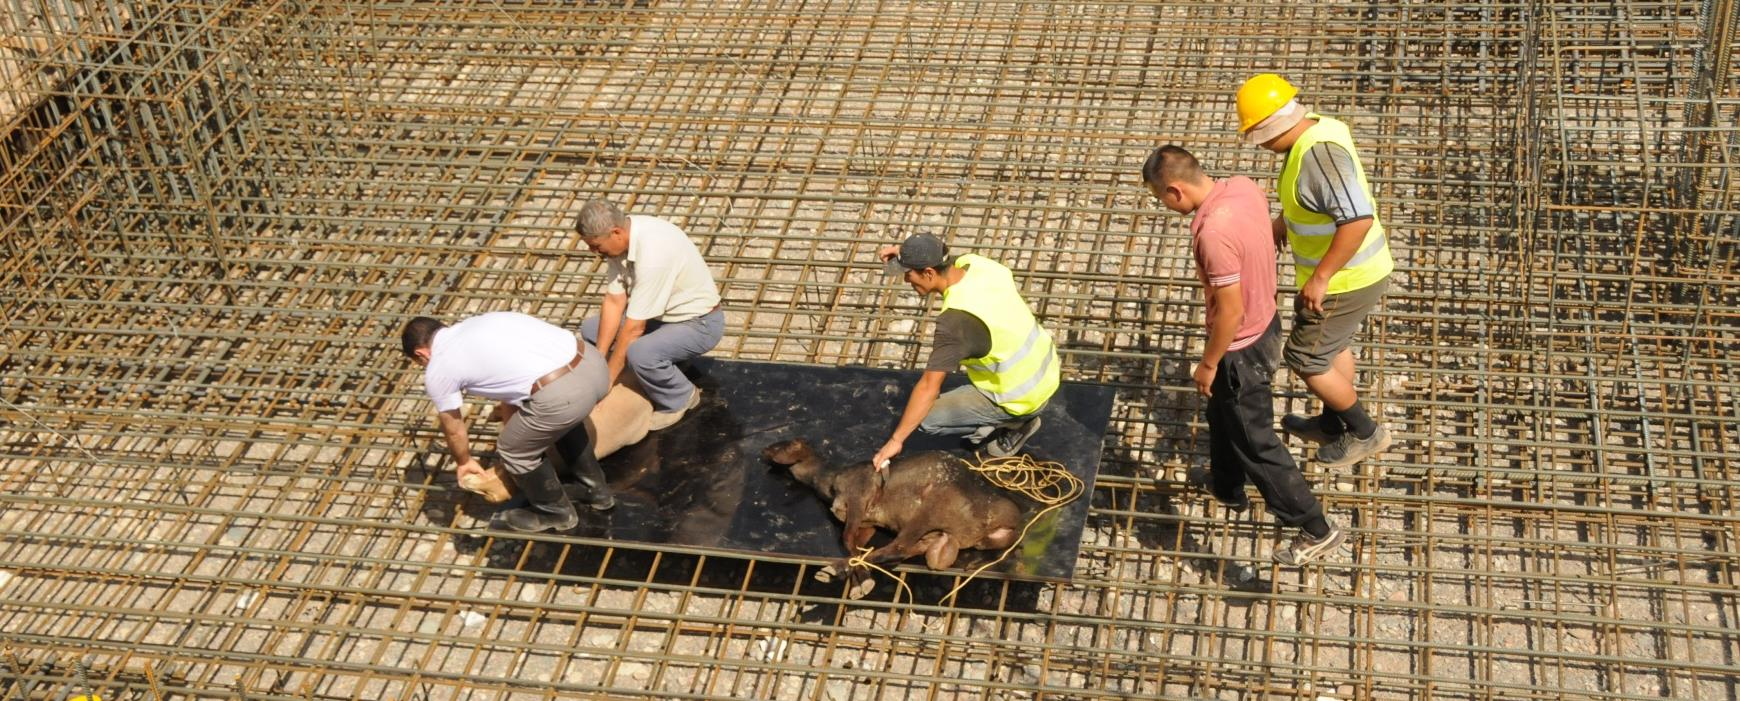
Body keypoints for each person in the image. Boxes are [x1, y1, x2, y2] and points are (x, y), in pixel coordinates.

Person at [1143, 145, 1344, 565]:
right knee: (1221, 415)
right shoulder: (1243, 188)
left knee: (1257, 442)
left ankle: (1315, 527)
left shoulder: (1212, 233)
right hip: (1266, 321)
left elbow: (1230, 311)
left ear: (1175, 191)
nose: (1164, 206)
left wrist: (1210, 362)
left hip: (1240, 349)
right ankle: (1225, 485)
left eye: (1161, 198)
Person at [1236, 73, 1394, 468]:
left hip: (1346, 279)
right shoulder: (1319, 128)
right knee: (1332, 345)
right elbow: (1316, 201)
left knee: (1305, 358)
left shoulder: (1319, 157)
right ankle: (1331, 422)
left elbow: (1356, 220)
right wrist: (1282, 222)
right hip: (1357, 273)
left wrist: (1321, 277)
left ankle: (1364, 433)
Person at [401, 312, 615, 532]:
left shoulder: (439, 367)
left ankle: (556, 513)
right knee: (557, 418)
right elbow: (511, 392)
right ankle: (596, 491)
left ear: (421, 354)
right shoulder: (481, 323)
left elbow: (454, 429)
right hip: (595, 366)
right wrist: (519, 430)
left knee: (512, 449)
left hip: (563, 394)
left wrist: (464, 461)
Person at [870, 233, 1060, 470]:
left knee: (926, 418)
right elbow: (944, 257)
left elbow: (929, 387)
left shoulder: (955, 323)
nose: (907, 280)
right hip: (1047, 371)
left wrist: (896, 441)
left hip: (1021, 398)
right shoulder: (980, 266)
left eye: (908, 273)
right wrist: (905, 252)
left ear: (929, 273)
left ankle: (1018, 423)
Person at [574, 199, 725, 430]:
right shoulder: (621, 242)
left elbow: (634, 329)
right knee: (591, 329)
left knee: (640, 352)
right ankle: (664, 364)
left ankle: (680, 397)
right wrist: (600, 362)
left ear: (616, 232)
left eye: (596, 246)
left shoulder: (654, 254)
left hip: (698, 324)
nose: (594, 252)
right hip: (664, 318)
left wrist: (606, 386)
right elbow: (614, 301)